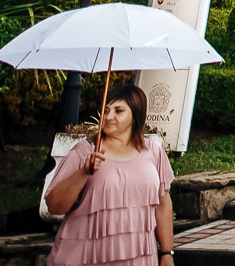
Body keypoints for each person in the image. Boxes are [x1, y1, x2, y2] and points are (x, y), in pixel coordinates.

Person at [44, 84, 175, 266]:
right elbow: (54, 205)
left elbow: (162, 203)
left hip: (139, 257)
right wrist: (83, 172)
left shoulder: (153, 151)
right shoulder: (83, 152)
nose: (108, 116)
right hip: (87, 257)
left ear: (136, 115)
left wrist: (167, 252)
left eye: (118, 111)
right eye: (105, 110)